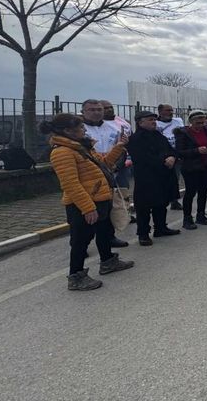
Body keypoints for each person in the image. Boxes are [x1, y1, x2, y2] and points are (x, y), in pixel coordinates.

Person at [42, 114, 134, 291]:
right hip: (84, 204)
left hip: (100, 198)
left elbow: (104, 163)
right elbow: (70, 184)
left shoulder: (82, 147)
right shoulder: (62, 152)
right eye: (81, 127)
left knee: (105, 232)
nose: (84, 130)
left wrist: (119, 147)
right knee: (80, 241)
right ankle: (76, 277)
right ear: (68, 131)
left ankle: (108, 262)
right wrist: (87, 208)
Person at [81, 99, 130, 247]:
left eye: (99, 110)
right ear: (83, 112)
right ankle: (83, 243)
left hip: (111, 171)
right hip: (88, 174)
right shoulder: (80, 129)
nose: (96, 112)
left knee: (109, 207)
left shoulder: (114, 128)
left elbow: (121, 149)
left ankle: (109, 237)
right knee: (87, 209)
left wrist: (115, 167)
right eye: (92, 110)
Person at [127, 111, 180, 246]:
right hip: (147, 177)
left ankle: (161, 228)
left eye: (154, 120)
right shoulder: (135, 139)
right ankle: (143, 234)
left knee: (162, 203)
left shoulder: (158, 135)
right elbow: (142, 157)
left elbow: (170, 149)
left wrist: (172, 157)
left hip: (164, 175)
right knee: (144, 207)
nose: (153, 122)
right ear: (140, 122)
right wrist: (164, 161)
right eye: (150, 120)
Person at [174, 111, 207, 229]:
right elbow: (180, 152)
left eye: (202, 122)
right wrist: (197, 151)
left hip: (206, 165)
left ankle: (201, 215)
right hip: (191, 168)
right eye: (197, 123)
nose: (200, 125)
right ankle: (187, 218)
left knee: (203, 192)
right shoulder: (183, 133)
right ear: (191, 121)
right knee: (190, 192)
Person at [156, 104, 185, 210]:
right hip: (162, 156)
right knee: (160, 179)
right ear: (160, 112)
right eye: (168, 110)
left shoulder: (178, 122)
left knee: (175, 178)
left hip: (176, 155)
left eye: (171, 110)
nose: (171, 112)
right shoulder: (156, 124)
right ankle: (160, 200)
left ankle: (174, 201)